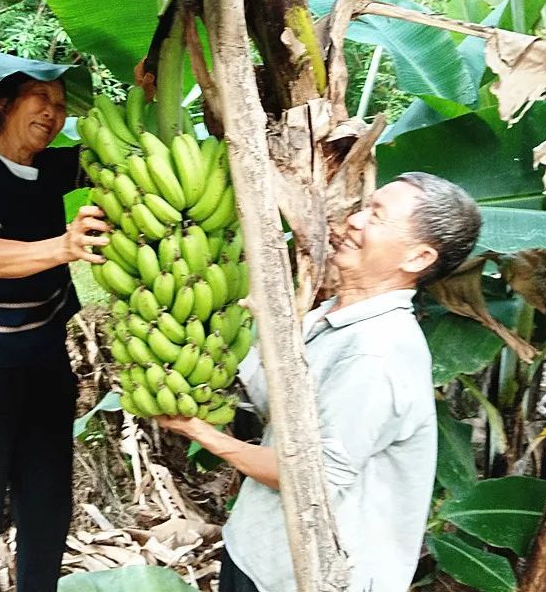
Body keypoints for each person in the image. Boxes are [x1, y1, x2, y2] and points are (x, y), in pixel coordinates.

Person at [158, 172, 482, 592]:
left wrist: (202, 433)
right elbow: (281, 408)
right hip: (258, 550)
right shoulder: (333, 315)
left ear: (418, 258)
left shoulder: (378, 352)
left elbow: (311, 478)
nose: (355, 221)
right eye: (365, 207)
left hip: (309, 577)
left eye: (377, 216)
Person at [0, 72, 110, 592]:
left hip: (43, 358)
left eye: (59, 105)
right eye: (39, 98)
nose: (52, 113)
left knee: (48, 505)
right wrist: (64, 247)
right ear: (4, 104)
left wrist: (146, 89)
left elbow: (125, 150)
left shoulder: (54, 169)